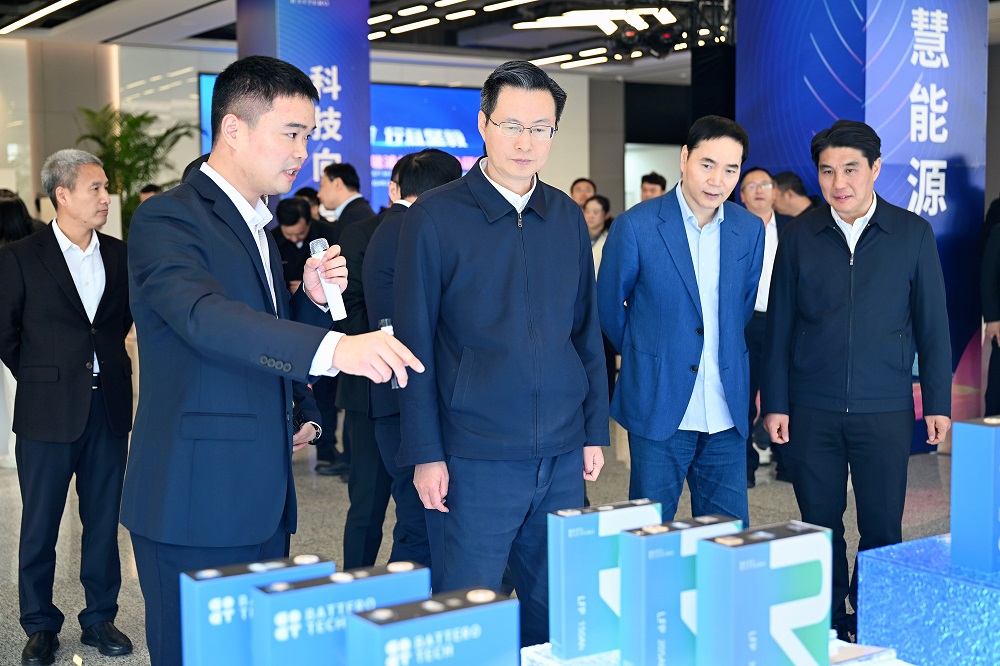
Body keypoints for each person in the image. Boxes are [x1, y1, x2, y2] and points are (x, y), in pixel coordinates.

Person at [120, 55, 423, 666]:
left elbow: (258, 337)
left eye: (308, 136)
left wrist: (309, 304)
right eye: (291, 133)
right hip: (195, 498)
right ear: (233, 128)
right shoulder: (168, 217)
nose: (302, 153)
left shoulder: (253, 224)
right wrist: (337, 347)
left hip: (260, 497)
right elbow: (204, 317)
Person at [394, 60, 608, 647]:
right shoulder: (436, 216)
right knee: (468, 616)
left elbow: (585, 334)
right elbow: (413, 346)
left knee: (556, 615)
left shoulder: (564, 215)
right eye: (512, 125)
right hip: (473, 456)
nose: (525, 141)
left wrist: (593, 431)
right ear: (483, 124)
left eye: (541, 128)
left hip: (561, 455)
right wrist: (426, 454)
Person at [762, 119, 952, 643]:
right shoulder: (799, 235)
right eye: (827, 171)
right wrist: (776, 402)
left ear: (875, 168)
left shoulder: (911, 233)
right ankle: (825, 620)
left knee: (883, 526)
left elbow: (933, 326)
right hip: (813, 407)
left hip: (884, 407)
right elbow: (780, 326)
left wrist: (937, 402)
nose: (838, 182)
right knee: (818, 523)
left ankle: (875, 619)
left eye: (850, 169)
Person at [0, 149, 135, 665]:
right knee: (40, 524)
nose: (105, 197)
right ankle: (38, 624)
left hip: (108, 409)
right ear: (62, 194)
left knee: (103, 521)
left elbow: (118, 323)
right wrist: (43, 376)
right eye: (95, 188)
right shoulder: (20, 257)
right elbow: (6, 332)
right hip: (46, 411)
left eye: (106, 188)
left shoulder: (120, 255)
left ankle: (99, 617)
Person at [597, 115, 764, 528]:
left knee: (728, 538)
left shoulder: (748, 229)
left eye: (731, 169)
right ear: (684, 158)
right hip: (659, 402)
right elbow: (609, 306)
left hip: (726, 410)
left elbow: (741, 308)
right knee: (651, 534)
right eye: (708, 164)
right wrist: (648, 351)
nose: (718, 180)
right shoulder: (637, 225)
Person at [737, 167, 790, 487]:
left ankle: (787, 462)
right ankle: (744, 466)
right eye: (751, 186)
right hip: (745, 323)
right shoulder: (730, 228)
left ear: (775, 192)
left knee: (784, 392)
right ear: (742, 196)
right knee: (743, 395)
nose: (759, 190)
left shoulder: (793, 228)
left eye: (765, 185)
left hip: (784, 322)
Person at [583, 194, 618, 402]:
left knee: (605, 356)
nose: (591, 216)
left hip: (603, 307)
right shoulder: (577, 236)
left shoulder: (611, 240)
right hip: (583, 306)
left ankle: (607, 398)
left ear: (606, 215)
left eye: (596, 212)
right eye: (587, 211)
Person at [271, 197, 337, 293]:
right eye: (288, 234)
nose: (294, 239)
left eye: (300, 233)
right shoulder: (271, 240)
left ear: (309, 222)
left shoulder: (329, 234)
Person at [318, 162, 375, 236]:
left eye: (321, 186)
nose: (318, 194)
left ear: (337, 184)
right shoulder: (358, 211)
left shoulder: (353, 217)